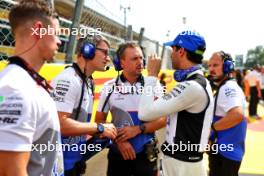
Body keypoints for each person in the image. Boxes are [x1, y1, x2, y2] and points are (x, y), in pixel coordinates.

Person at [0, 0, 63, 175]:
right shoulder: (15, 89)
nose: (59, 42)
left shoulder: (25, 83)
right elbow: (9, 171)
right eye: (56, 34)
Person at [138, 30, 214, 176]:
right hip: (181, 163)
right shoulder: (196, 82)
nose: (171, 54)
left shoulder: (192, 86)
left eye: (172, 49)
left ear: (181, 51)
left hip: (183, 166)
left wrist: (152, 76)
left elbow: (144, 113)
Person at [95, 42, 166, 176]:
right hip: (118, 153)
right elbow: (99, 122)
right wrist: (119, 141)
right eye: (134, 59)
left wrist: (138, 129)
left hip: (146, 154)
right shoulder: (109, 87)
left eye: (141, 58)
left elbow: (163, 119)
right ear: (122, 63)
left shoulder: (154, 84)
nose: (140, 62)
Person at [51, 35, 117, 176]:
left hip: (72, 164)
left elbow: (78, 129)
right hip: (56, 167)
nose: (108, 58)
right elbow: (59, 125)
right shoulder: (68, 79)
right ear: (88, 50)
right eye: (105, 52)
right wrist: (99, 128)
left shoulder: (88, 82)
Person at [208, 51, 247, 176]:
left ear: (227, 66)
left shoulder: (228, 88)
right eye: (209, 66)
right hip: (224, 152)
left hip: (225, 155)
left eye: (215, 65)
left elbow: (237, 115)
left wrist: (211, 129)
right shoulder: (225, 87)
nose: (211, 69)